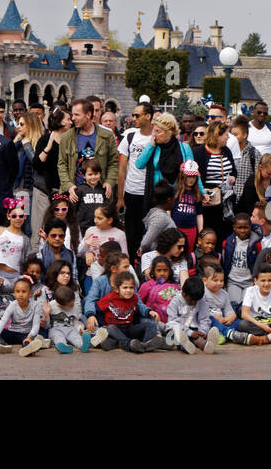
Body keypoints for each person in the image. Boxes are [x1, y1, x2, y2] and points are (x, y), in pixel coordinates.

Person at [57, 100, 117, 202]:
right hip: (75, 194)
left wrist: (109, 182)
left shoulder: (107, 135)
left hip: (100, 193)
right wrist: (69, 186)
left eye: (77, 115)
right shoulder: (67, 137)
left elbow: (113, 163)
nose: (73, 118)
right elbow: (62, 164)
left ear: (88, 115)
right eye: (72, 114)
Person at [117, 102, 155, 249]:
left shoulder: (157, 136)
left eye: (137, 115)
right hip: (132, 193)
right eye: (133, 115)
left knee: (149, 236)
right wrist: (120, 197)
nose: (134, 118)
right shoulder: (130, 137)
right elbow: (122, 169)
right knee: (131, 236)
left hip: (150, 195)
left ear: (148, 116)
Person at [95, 270, 162, 353]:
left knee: (151, 325)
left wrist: (149, 312)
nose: (128, 290)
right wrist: (102, 325)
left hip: (128, 328)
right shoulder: (109, 298)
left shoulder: (134, 299)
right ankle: (129, 344)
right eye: (125, 287)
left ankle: (144, 345)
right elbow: (97, 310)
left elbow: (138, 312)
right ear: (117, 289)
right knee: (110, 329)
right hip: (115, 329)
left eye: (131, 287)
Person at [0, 276, 50, 356]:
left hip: (27, 333)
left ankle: (28, 348)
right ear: (14, 293)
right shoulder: (12, 305)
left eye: (24, 291)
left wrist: (29, 337)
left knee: (39, 334)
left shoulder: (35, 306)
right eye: (18, 291)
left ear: (30, 293)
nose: (20, 295)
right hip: (13, 333)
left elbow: (36, 325)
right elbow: (3, 321)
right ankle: (1, 344)